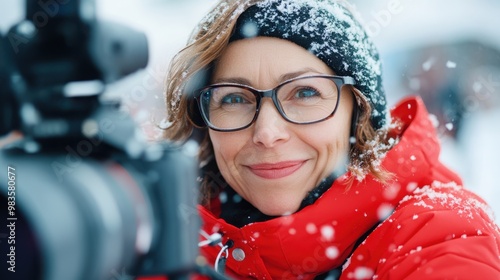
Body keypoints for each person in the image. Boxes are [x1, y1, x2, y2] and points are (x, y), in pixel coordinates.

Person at [158, 0, 500, 279]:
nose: (267, 133)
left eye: (305, 92)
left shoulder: (439, 232)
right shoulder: (168, 242)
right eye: (233, 99)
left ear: (359, 113)